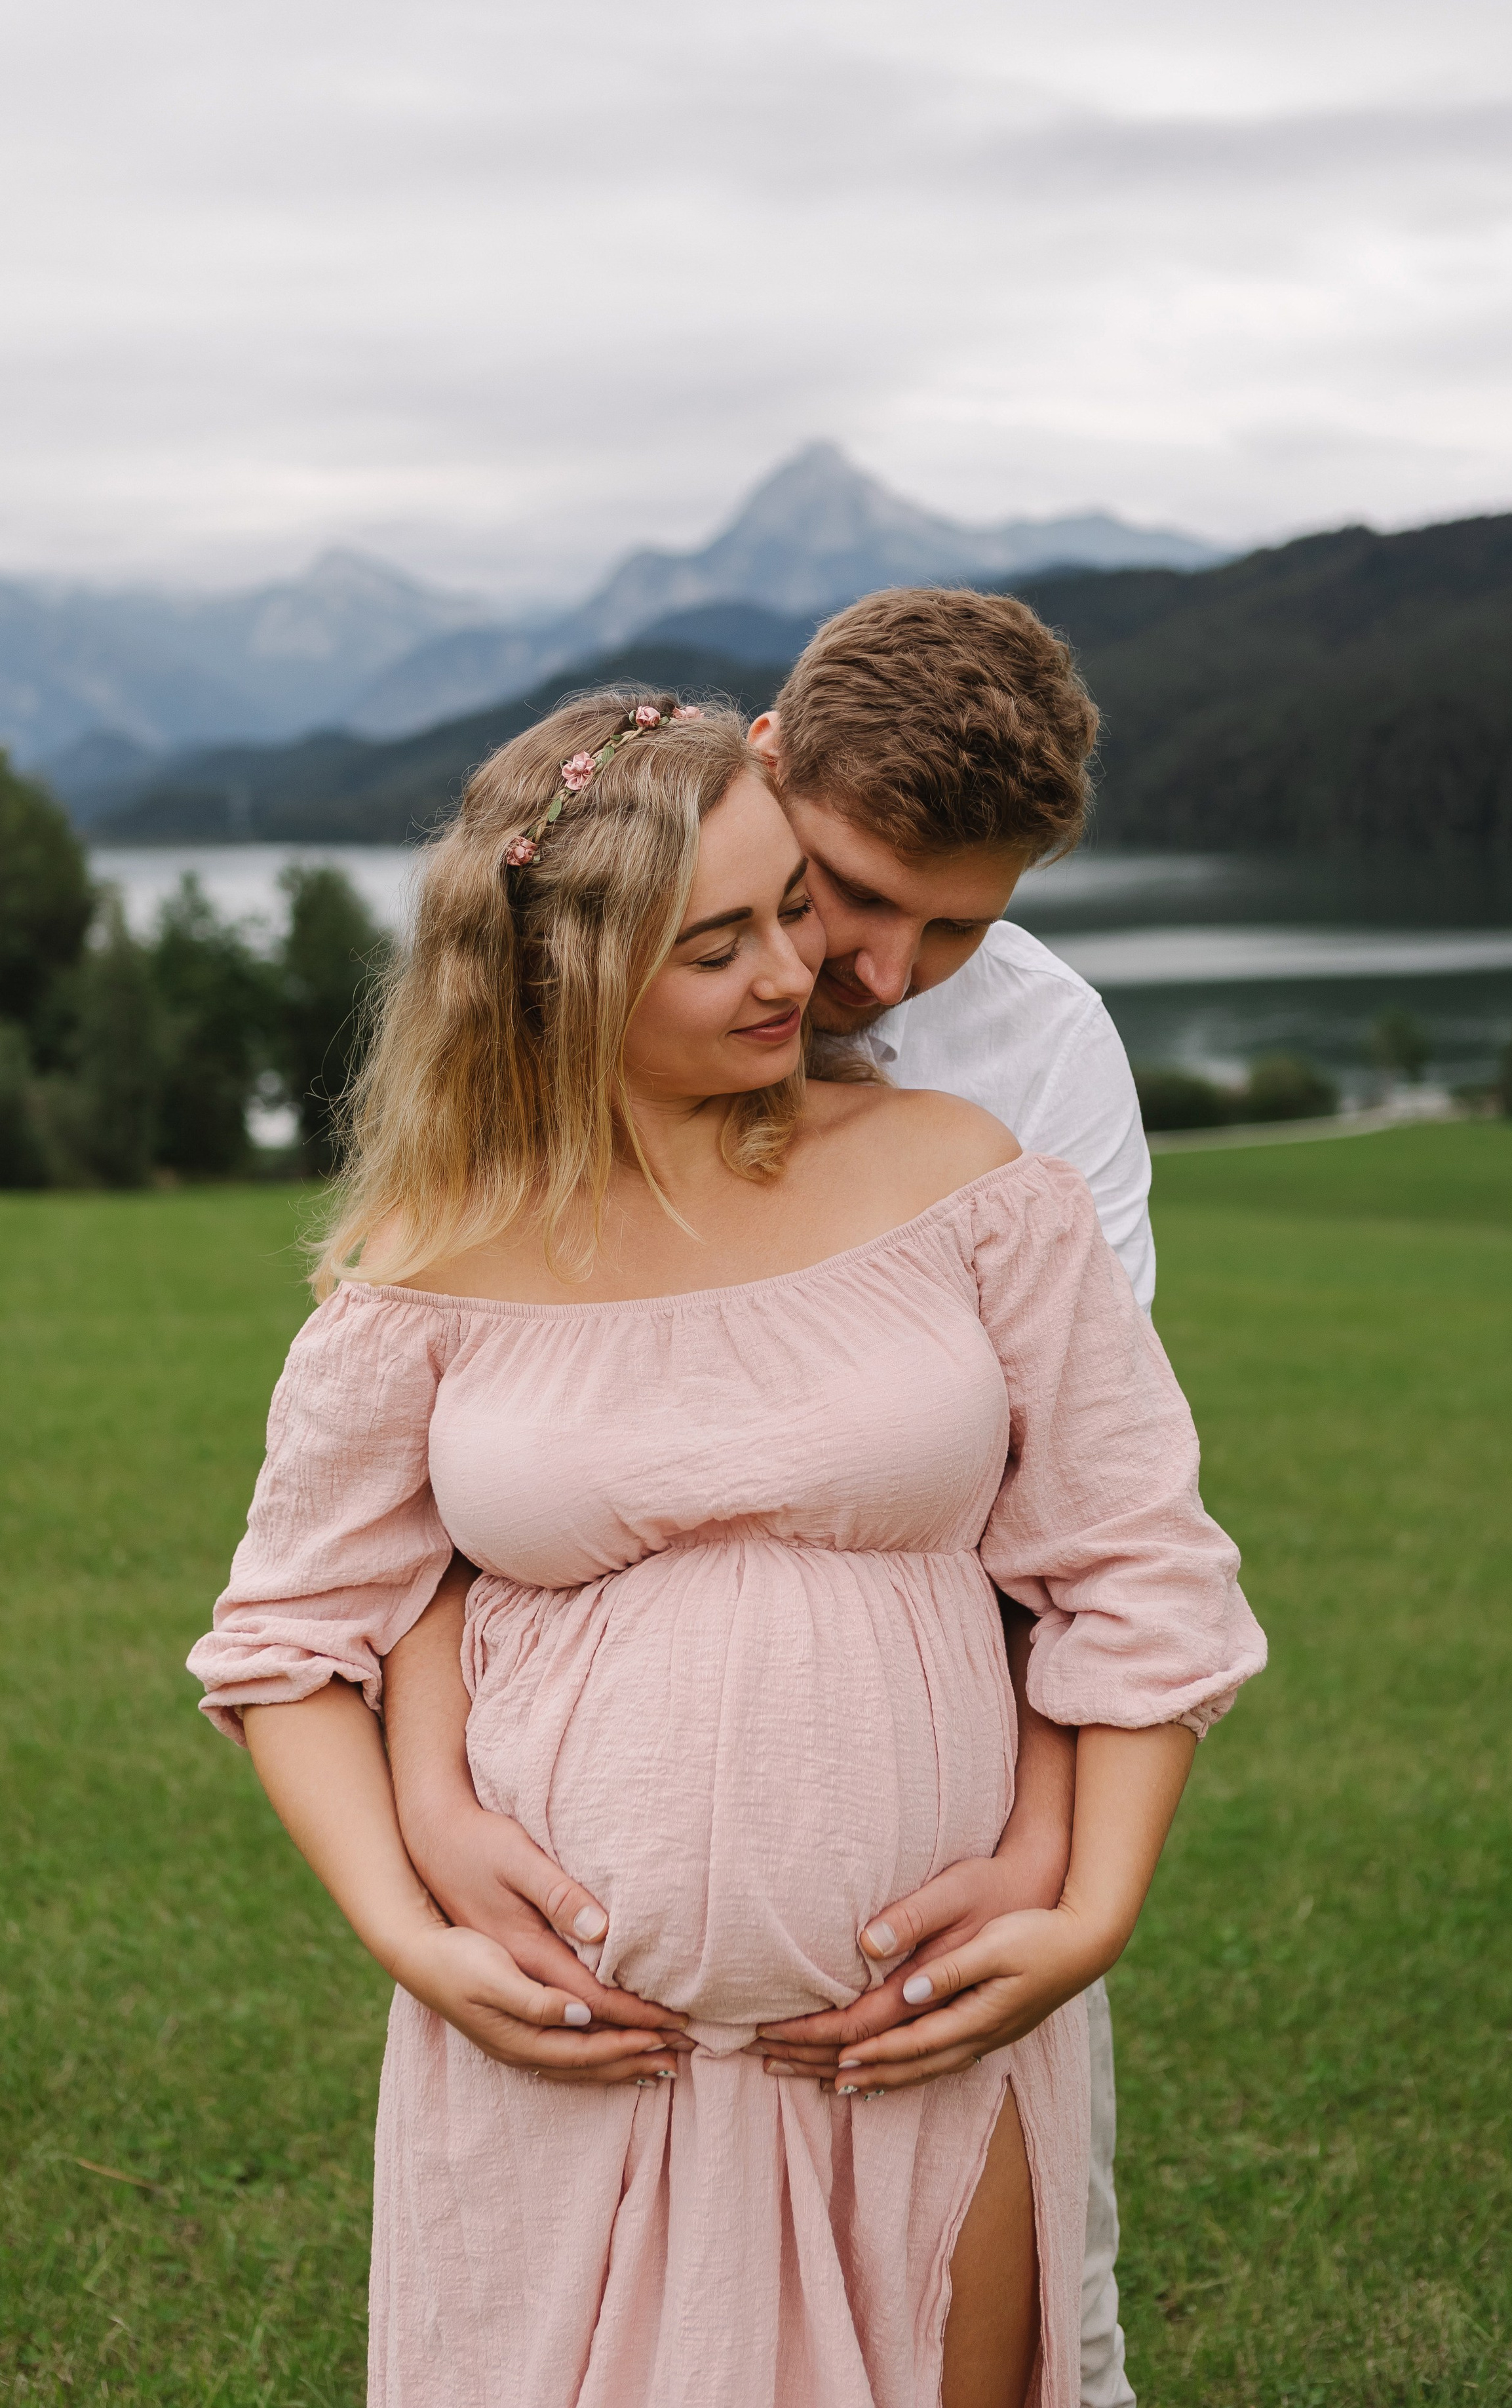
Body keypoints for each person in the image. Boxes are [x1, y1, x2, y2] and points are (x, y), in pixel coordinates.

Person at [189, 686, 1265, 2408]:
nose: (798, 974)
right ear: (567, 977)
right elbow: (290, 1639)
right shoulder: (432, 1264)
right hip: (564, 2072)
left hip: (920, 2048)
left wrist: (1089, 1910)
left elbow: (1136, 1567)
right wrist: (411, 1928)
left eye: (789, 909)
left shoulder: (963, 1181)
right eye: (718, 946)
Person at [384, 589, 1156, 2404]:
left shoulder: (1037, 1068)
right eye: (846, 892)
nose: (871, 972)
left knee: (1042, 2320)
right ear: (760, 769)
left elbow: (1081, 1523)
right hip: (589, 1949)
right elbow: (413, 1523)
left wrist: (1057, 1867)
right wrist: (429, 1809)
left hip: (949, 1864)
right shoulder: (549, 1073)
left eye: (958, 925)